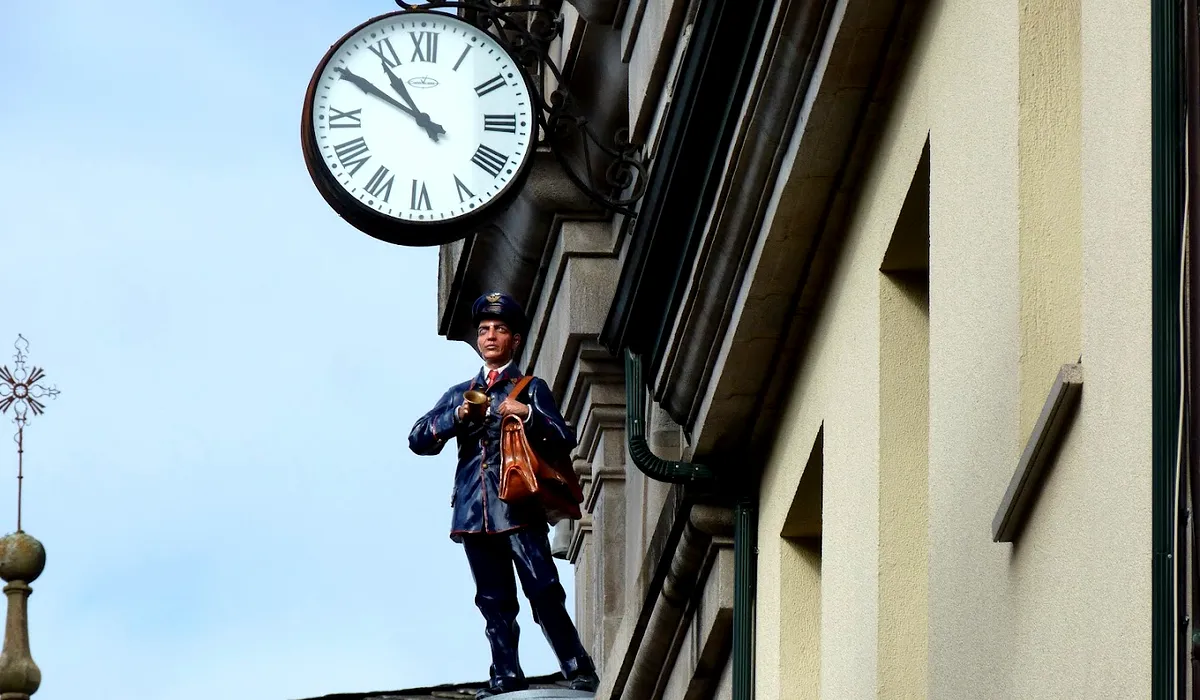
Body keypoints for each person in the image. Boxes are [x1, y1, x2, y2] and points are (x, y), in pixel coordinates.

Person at [408, 291, 599, 698]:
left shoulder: (529, 387)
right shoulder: (461, 391)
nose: (490, 337)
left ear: (513, 340)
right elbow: (418, 438)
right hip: (475, 513)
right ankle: (505, 676)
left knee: (543, 588)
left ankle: (576, 664)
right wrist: (457, 416)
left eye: (499, 330)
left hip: (518, 506)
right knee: (493, 601)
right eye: (484, 330)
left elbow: (564, 436)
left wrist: (527, 414)